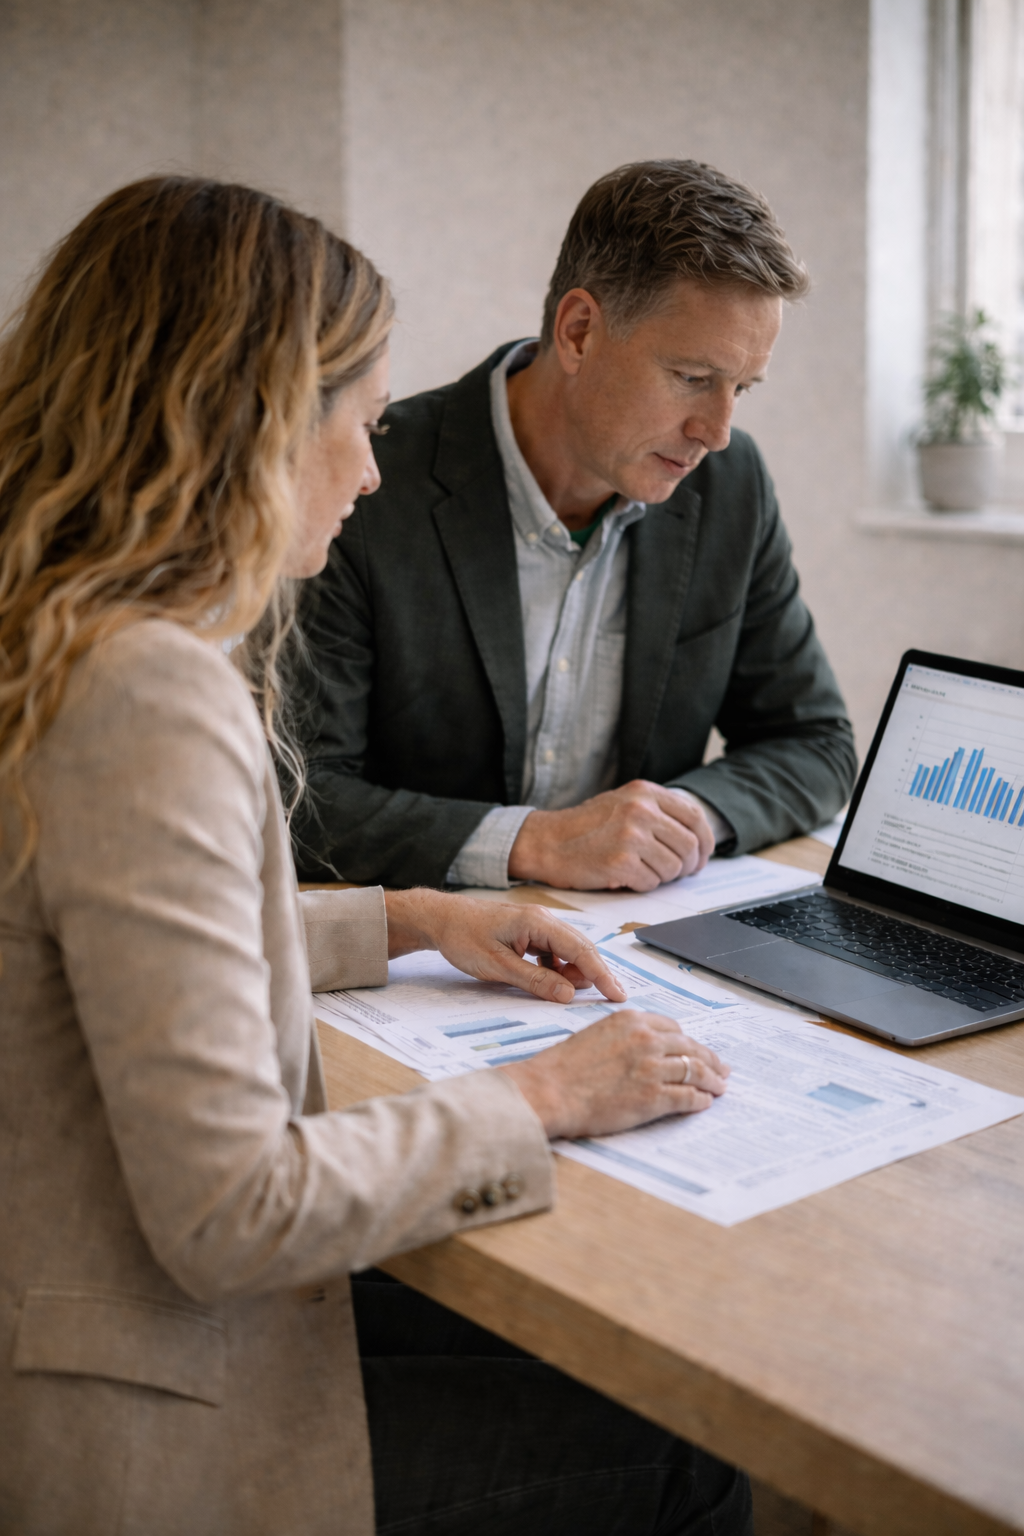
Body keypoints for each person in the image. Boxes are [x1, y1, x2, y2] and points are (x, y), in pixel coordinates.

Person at [0, 176, 751, 1534]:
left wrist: (411, 917)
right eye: (354, 418)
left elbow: (105, 937)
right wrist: (548, 1099)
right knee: (688, 1453)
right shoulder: (143, 696)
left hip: (76, 1303)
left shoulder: (50, 643)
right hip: (147, 1409)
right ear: (243, 420)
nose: (371, 466)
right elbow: (234, 1208)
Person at [288, 159, 857, 894]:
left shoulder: (729, 483)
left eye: (740, 389)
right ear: (580, 331)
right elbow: (300, 793)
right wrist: (534, 842)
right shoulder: (368, 480)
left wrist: (682, 818)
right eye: (691, 377)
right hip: (426, 958)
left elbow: (815, 742)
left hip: (631, 947)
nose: (715, 430)